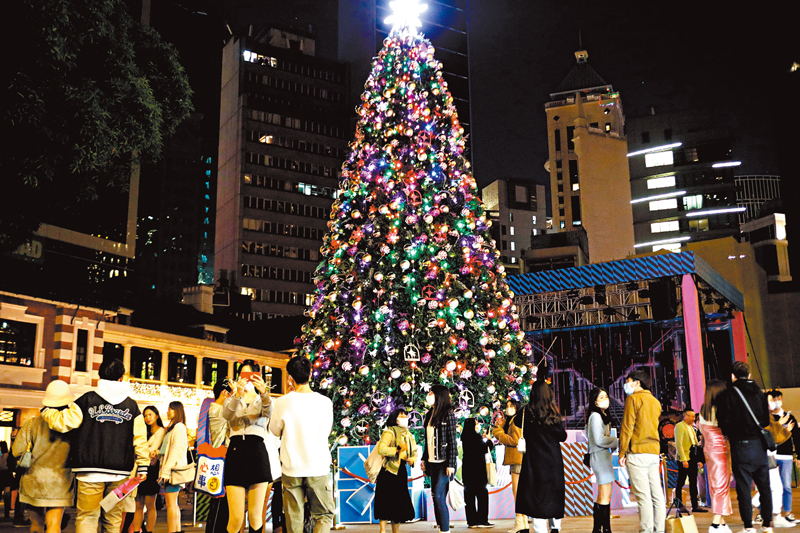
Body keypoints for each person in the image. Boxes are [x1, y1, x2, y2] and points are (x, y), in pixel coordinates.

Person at [41, 359, 148, 533]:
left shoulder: (86, 400)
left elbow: (64, 422)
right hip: (120, 475)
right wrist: (143, 466)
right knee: (112, 519)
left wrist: (47, 411)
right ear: (122, 378)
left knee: (88, 517)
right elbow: (140, 439)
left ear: (100, 376)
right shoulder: (132, 406)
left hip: (89, 473)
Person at [269, 356, 334, 533]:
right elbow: (327, 431)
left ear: (290, 377)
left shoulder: (282, 402)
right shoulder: (325, 402)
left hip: (292, 467)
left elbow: (274, 430)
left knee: (294, 517)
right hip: (318, 466)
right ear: (311, 374)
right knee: (324, 515)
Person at [11, 381, 75, 533]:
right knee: (54, 525)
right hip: (60, 481)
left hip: (34, 480)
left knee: (36, 525)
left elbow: (17, 451)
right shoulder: (72, 426)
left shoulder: (32, 423)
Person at [717, 361, 773, 533]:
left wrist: (732, 433)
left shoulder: (728, 394)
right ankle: (766, 525)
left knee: (743, 487)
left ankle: (748, 526)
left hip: (740, 446)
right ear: (749, 375)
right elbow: (765, 420)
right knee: (764, 486)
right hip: (759, 445)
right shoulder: (759, 393)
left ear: (733, 376)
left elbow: (723, 422)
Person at [223, 360, 274, 533]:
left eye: (250, 376)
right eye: (242, 376)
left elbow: (269, 412)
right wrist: (236, 395)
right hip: (236, 452)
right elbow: (227, 415)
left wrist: (265, 393)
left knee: (255, 516)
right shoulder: (231, 399)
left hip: (257, 452)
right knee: (236, 517)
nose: (245, 380)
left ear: (257, 377)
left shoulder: (262, 399)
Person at [515, 380, 567, 533]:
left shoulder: (526, 412)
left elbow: (517, 423)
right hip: (552, 461)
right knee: (553, 495)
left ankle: (540, 530)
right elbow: (562, 436)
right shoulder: (553, 413)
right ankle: (555, 528)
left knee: (536, 497)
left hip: (533, 462)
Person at [619, 370, 665, 533]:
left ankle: (646, 530)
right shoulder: (655, 402)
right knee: (657, 496)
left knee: (643, 497)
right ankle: (659, 530)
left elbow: (627, 427)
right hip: (653, 452)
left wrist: (622, 452)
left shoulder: (633, 399)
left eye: (629, 380)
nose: (627, 384)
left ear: (637, 382)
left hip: (637, 452)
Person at [374, 408, 418, 533]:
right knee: (385, 501)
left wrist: (412, 459)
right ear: (395, 418)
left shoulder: (409, 435)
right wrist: (397, 451)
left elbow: (414, 452)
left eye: (405, 415)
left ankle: (396, 531)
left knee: (398, 503)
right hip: (388, 471)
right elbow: (381, 449)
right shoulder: (389, 432)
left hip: (401, 472)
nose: (404, 418)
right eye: (401, 415)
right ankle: (382, 530)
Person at [420, 385, 457, 533]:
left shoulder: (448, 413)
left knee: (439, 496)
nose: (428, 395)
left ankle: (445, 530)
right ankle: (442, 528)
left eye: (431, 393)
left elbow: (452, 439)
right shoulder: (429, 414)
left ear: (439, 395)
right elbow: (427, 440)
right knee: (435, 495)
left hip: (444, 463)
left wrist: (451, 463)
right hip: (432, 462)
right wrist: (424, 458)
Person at [698, 379, 732, 532]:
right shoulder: (720, 410)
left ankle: (722, 522)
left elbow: (702, 432)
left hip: (709, 450)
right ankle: (715, 524)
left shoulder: (703, 409)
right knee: (721, 486)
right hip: (720, 450)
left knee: (715, 485)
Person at [585, 387, 618, 533]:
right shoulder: (596, 416)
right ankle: (606, 530)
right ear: (595, 402)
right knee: (605, 495)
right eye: (601, 397)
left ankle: (598, 528)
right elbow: (599, 439)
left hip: (603, 456)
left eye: (606, 396)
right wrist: (617, 441)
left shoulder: (602, 415)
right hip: (599, 456)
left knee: (603, 495)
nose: (606, 399)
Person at [493, 399, 526, 533]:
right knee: (518, 492)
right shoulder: (512, 421)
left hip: (517, 459)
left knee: (517, 492)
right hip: (517, 459)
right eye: (507, 406)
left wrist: (498, 433)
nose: (508, 409)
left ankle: (520, 522)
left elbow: (515, 440)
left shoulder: (516, 420)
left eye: (511, 406)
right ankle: (522, 523)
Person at [131, 406, 166, 533]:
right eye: (145, 415)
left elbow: (151, 450)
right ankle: (136, 530)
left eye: (150, 414)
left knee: (150, 504)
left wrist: (144, 451)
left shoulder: (161, 431)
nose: (147, 418)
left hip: (152, 470)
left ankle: (149, 531)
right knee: (138, 504)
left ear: (157, 415)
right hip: (140, 468)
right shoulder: (143, 431)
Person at [158, 402, 188, 533]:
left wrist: (165, 471)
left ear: (177, 411)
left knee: (170, 504)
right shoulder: (173, 427)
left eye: (170, 410)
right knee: (173, 503)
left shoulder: (179, 427)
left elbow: (175, 450)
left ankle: (172, 531)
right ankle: (176, 530)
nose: (167, 412)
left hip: (173, 470)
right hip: (171, 470)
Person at [768, 390, 798, 524]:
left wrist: (798, 455)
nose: (777, 401)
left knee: (786, 485)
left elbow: (797, 437)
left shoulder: (790, 417)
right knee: (769, 486)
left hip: (785, 454)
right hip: (770, 454)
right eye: (774, 399)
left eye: (779, 398)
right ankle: (765, 512)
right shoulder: (767, 418)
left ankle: (787, 512)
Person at [206, 380, 231, 533]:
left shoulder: (213, 408)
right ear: (224, 393)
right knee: (221, 504)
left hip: (219, 460)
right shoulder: (218, 409)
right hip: (223, 460)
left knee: (220, 504)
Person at [461, 418, 494, 529]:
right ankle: (482, 520)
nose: (478, 425)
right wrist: (488, 439)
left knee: (469, 497)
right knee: (482, 495)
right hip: (478, 471)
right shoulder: (476, 438)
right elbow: (486, 448)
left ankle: (471, 521)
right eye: (476, 423)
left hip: (467, 471)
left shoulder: (464, 438)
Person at [674, 409, 706, 512]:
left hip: (693, 457)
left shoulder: (692, 428)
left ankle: (695, 505)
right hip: (684, 458)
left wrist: (699, 459)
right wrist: (684, 460)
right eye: (691, 416)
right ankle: (679, 504)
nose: (693, 418)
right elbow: (679, 444)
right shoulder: (679, 426)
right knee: (681, 481)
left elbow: (695, 444)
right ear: (685, 416)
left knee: (693, 481)